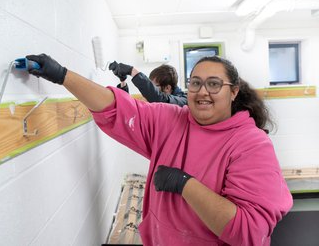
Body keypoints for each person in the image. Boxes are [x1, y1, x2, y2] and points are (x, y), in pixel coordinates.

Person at [25, 53, 292, 245]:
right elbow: (115, 108)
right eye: (195, 82)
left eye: (214, 84)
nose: (202, 92)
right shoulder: (171, 119)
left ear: (233, 92)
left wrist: (186, 184)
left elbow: (248, 232)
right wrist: (62, 76)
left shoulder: (251, 144)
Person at [109, 62, 187, 106]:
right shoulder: (150, 99)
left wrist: (131, 71)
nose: (152, 90)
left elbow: (160, 98)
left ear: (167, 88)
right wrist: (123, 81)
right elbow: (130, 106)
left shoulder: (183, 101)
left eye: (154, 87)